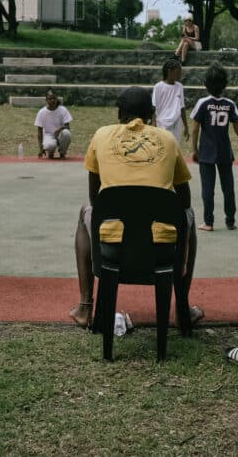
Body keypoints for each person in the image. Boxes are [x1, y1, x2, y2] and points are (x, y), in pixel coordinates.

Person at [69, 86, 202, 328]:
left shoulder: (101, 135)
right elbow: (184, 200)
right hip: (160, 249)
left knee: (84, 213)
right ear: (152, 114)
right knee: (189, 216)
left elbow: (95, 197)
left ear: (119, 113)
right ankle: (182, 308)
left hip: (113, 247)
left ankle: (85, 307)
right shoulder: (168, 139)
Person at [190, 63, 238, 231]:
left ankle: (208, 222)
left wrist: (194, 149)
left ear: (206, 84)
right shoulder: (229, 104)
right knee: (228, 187)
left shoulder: (202, 103)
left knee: (208, 189)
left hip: (206, 152)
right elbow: (237, 127)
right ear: (225, 84)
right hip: (225, 151)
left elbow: (195, 128)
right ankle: (230, 220)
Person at [152, 57, 189, 143]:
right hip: (162, 123)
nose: (180, 74)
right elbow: (154, 107)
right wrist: (153, 125)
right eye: (178, 72)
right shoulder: (158, 87)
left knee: (175, 147)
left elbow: (182, 107)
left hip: (176, 122)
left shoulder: (179, 86)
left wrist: (186, 126)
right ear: (169, 71)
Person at [35, 88, 73, 158]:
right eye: (50, 99)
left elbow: (68, 127)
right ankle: (51, 152)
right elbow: (39, 132)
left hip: (60, 134)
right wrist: (41, 149)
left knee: (66, 133)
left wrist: (60, 129)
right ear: (46, 100)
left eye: (54, 98)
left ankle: (62, 153)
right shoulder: (41, 112)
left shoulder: (63, 110)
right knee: (50, 145)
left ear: (57, 99)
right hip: (48, 135)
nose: (52, 100)